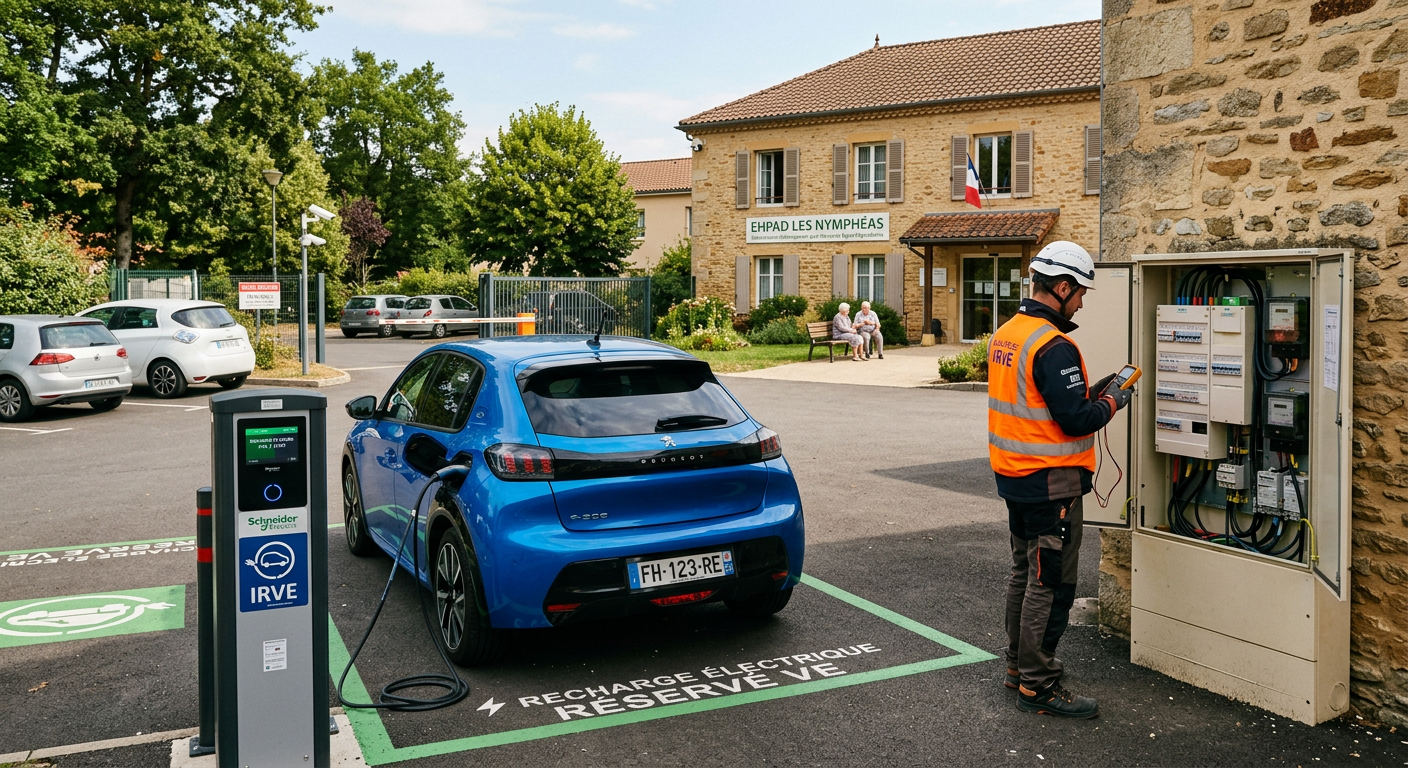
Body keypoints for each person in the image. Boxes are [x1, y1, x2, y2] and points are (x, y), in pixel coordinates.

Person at [987, 241, 1133, 719]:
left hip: (1016, 477)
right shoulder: (1054, 345)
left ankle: (1018, 666)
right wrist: (1112, 402)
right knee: (1051, 583)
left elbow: (1041, 403)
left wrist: (1090, 393)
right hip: (1053, 485)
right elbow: (1075, 421)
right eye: (1082, 293)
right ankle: (1038, 684)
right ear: (1064, 287)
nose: (1082, 303)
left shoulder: (1008, 333)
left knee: (1024, 573)